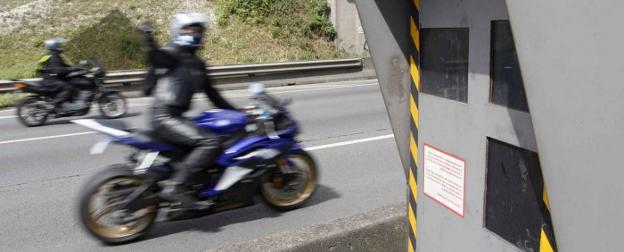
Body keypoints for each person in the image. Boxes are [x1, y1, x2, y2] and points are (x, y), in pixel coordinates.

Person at [141, 13, 237, 208]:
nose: (196, 34)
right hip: (164, 117)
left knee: (209, 133)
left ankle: (194, 183)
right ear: (179, 30)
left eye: (199, 30)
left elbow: (214, 96)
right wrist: (148, 40)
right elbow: (157, 57)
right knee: (210, 143)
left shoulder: (198, 64)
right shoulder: (172, 53)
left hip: (176, 117)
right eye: (191, 30)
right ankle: (176, 186)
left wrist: (239, 112)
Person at [38, 38, 79, 112]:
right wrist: (71, 69)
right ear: (54, 46)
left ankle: (65, 104)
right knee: (68, 87)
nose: (60, 46)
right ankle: (54, 104)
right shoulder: (54, 56)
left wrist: (75, 67)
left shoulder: (51, 55)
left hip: (50, 79)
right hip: (51, 80)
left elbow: (63, 65)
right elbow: (59, 70)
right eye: (58, 45)